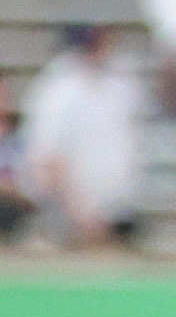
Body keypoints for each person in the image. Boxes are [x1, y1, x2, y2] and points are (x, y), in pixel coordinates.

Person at [19, 26, 150, 246]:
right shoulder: (58, 89)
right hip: (68, 215)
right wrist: (79, 213)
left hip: (116, 210)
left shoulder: (120, 82)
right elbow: (48, 158)